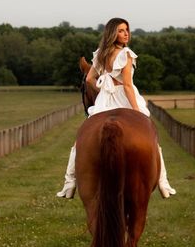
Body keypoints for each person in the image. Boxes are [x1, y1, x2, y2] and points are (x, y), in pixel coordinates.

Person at [56, 17, 176, 199]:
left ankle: (69, 183)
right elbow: (127, 85)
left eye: (127, 29)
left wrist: (104, 89)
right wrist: (136, 111)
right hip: (124, 98)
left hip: (105, 100)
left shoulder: (100, 54)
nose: (126, 33)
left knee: (79, 141)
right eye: (121, 30)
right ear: (113, 33)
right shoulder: (126, 54)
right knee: (151, 136)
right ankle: (163, 182)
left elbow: (89, 80)